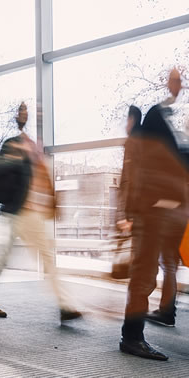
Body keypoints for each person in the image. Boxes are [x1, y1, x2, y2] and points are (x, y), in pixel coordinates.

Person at [0, 102, 82, 322]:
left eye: (27, 112)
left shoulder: (34, 146)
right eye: (21, 112)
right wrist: (14, 158)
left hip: (29, 214)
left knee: (45, 257)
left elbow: (41, 179)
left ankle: (64, 305)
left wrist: (52, 203)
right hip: (14, 212)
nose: (25, 116)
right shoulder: (13, 144)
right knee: (1, 257)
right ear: (16, 117)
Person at [118, 68, 188, 361]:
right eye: (175, 80)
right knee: (144, 275)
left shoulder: (167, 129)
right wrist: (131, 215)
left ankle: (140, 329)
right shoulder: (153, 127)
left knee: (154, 271)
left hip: (166, 214)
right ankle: (132, 337)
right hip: (151, 214)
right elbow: (134, 178)